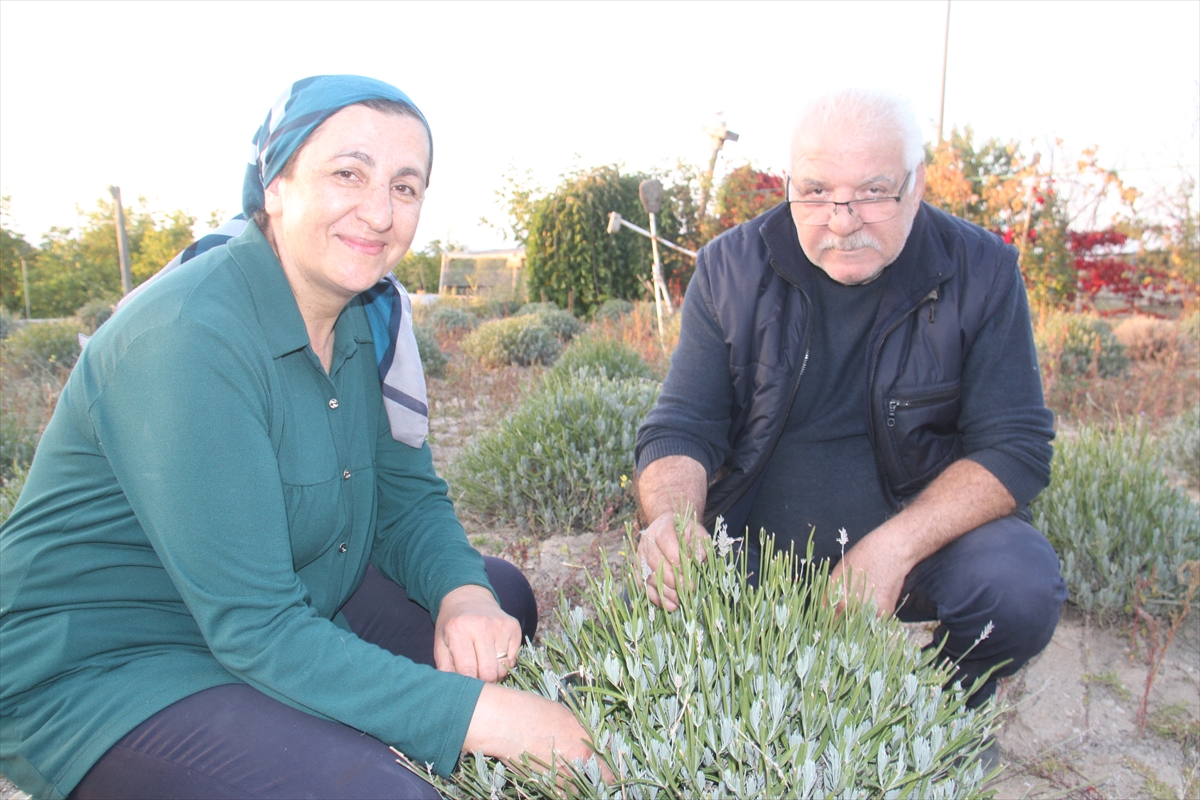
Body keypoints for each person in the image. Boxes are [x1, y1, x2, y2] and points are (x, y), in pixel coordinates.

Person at [0, 75, 594, 800]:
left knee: (497, 598)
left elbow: (408, 502)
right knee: (382, 791)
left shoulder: (357, 317)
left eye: (405, 187)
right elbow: (255, 628)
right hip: (114, 666)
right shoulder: (190, 336)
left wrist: (462, 593)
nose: (378, 211)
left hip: (291, 607)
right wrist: (485, 719)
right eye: (349, 173)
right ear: (274, 186)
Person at [634, 88, 1068, 719]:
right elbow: (681, 426)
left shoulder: (981, 269)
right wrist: (674, 519)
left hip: (910, 542)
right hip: (752, 551)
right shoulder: (730, 268)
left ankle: (933, 717)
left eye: (873, 191)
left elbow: (1016, 446)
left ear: (915, 185)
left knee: (1020, 584)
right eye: (815, 191)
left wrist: (893, 548)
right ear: (788, 185)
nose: (842, 219)